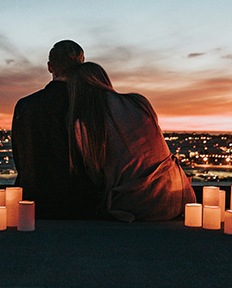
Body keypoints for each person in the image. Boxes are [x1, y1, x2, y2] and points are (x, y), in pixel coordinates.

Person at [66, 62, 196, 222]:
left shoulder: (85, 124)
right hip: (178, 196)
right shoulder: (139, 102)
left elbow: (96, 175)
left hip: (136, 206)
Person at [11, 40, 98, 219]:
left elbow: (20, 159)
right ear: (81, 67)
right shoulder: (88, 105)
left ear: (50, 67)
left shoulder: (24, 105)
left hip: (32, 203)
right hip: (78, 205)